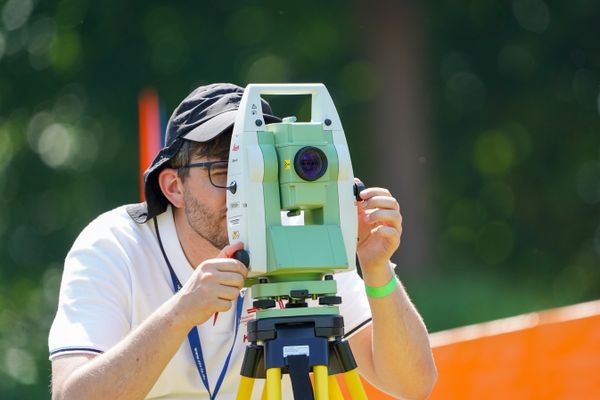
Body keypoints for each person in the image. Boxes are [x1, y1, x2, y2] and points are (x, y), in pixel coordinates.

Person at [49, 83, 437, 400]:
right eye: (223, 170)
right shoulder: (115, 246)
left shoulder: (298, 233)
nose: (242, 189)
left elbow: (412, 384)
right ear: (173, 186)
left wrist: (375, 267)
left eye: (257, 167)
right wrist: (181, 312)